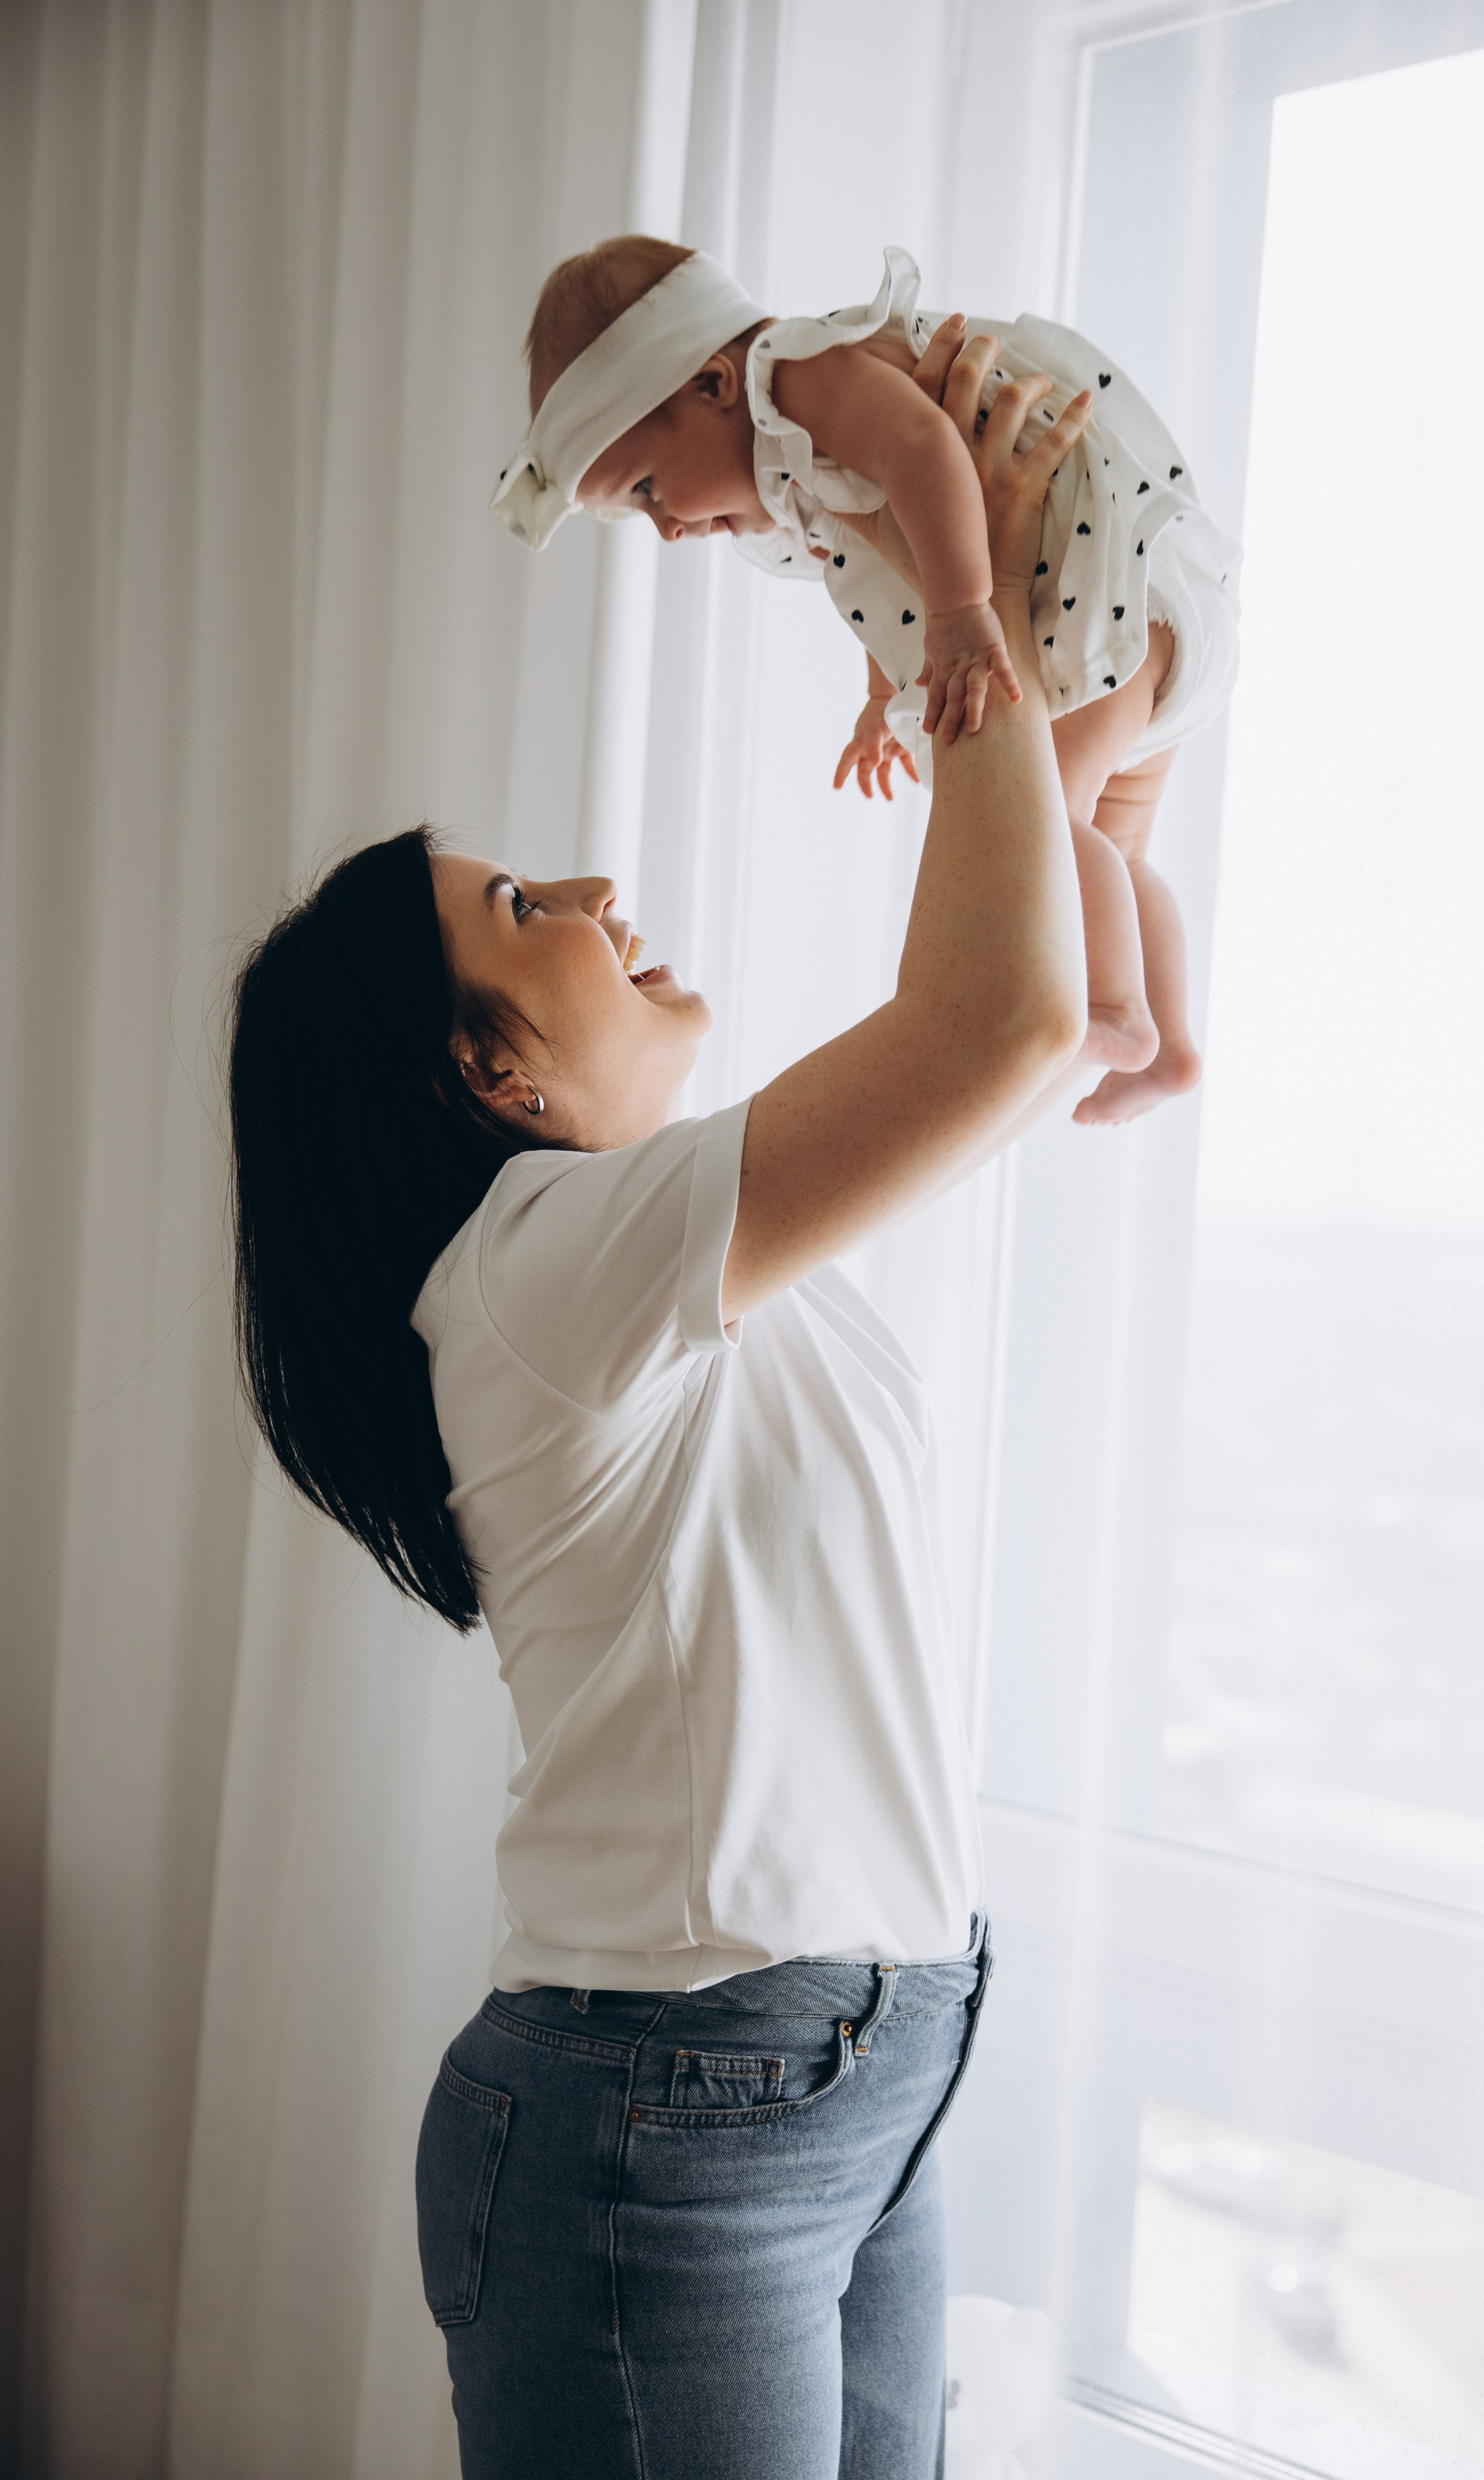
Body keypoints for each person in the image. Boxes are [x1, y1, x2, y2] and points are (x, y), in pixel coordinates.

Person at [229, 330, 1093, 2478]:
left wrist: (978, 614)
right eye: (529, 911)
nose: (603, 895)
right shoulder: (530, 1269)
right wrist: (960, 596)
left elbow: (1032, 1021)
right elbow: (1004, 1024)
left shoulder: (677, 1269)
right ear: (486, 1072)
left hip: (870, 2060)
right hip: (680, 2116)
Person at [491, 235, 1242, 1126]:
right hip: (1125, 629)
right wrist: (884, 697)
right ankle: (1171, 1044)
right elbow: (881, 572)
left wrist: (963, 612)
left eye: (649, 489)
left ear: (713, 385)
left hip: (1110, 598)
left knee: (1046, 826)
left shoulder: (794, 375)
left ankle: (1115, 1008)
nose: (666, 529)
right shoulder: (798, 464)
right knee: (1115, 853)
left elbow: (928, 452)